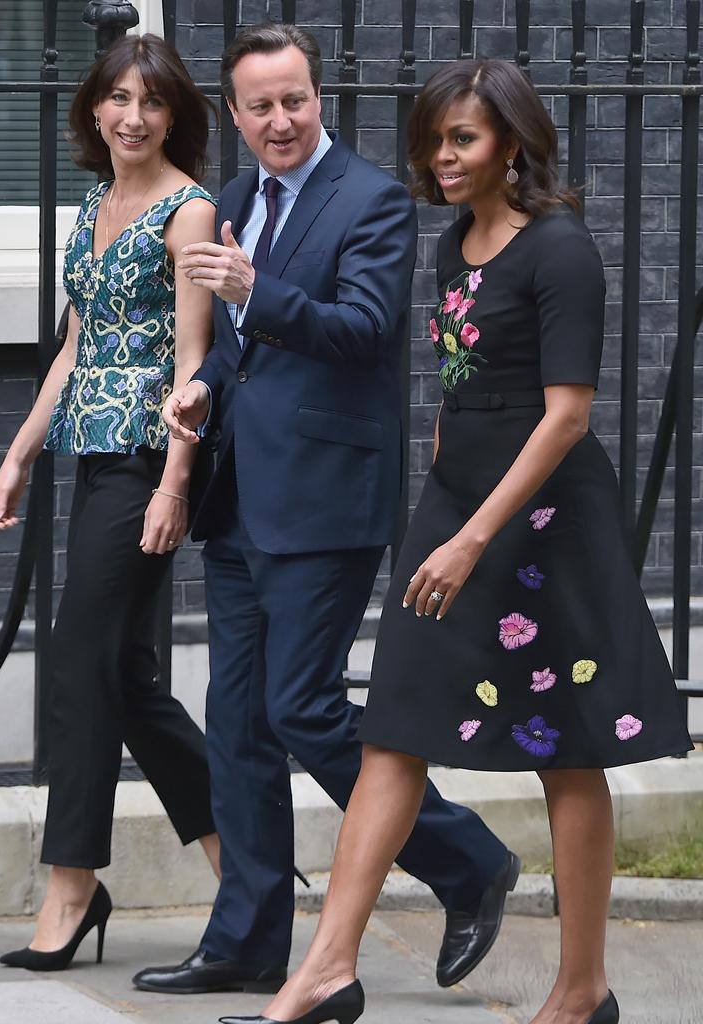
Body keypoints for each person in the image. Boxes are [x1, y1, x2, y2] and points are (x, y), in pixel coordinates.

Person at [222, 58, 695, 1024]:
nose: (442, 155)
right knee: (393, 727)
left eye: (463, 138)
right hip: (457, 510)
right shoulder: (452, 248)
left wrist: (475, 535)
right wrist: (440, 505)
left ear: (511, 143)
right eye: (434, 138)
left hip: (544, 522)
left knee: (567, 750)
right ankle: (324, 972)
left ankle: (580, 990)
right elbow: (457, 394)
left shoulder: (561, 250)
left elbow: (565, 415)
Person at [132, 23, 518, 1001]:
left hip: (327, 502)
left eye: (294, 100)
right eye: (259, 106)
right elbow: (238, 344)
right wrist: (203, 387)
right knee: (239, 721)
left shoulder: (373, 200)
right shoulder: (232, 199)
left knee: (301, 709)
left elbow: (360, 330)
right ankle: (248, 937)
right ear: (234, 113)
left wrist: (257, 290)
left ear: (320, 97)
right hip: (238, 498)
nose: (280, 121)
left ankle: (468, 859)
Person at [0, 33, 222, 971]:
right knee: (124, 677)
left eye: (152, 102)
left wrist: (175, 480)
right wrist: (14, 459)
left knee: (81, 663)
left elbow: (195, 363)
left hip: (145, 463)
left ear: (173, 116)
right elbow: (75, 351)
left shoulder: (188, 210)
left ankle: (72, 882)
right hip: (89, 455)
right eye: (118, 98)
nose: (133, 115)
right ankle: (238, 859)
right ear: (95, 109)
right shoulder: (92, 206)